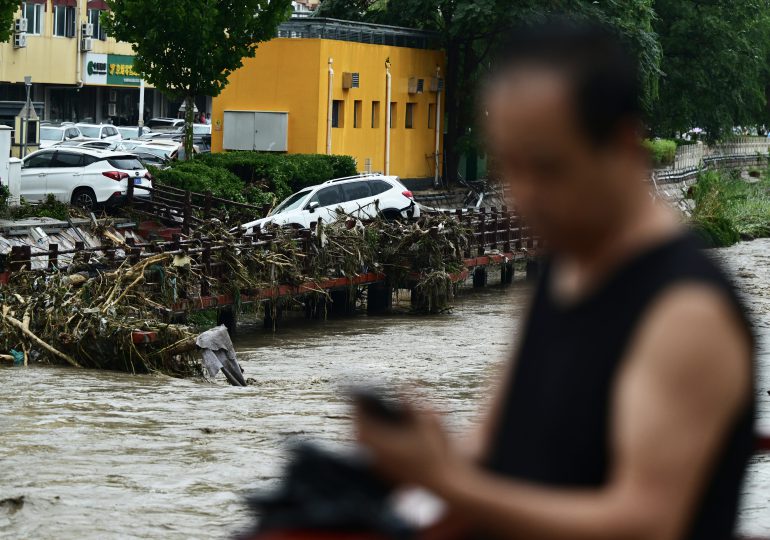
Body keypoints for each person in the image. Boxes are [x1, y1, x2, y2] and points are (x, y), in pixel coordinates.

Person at [355, 19, 754, 540]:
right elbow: (495, 446)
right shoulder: (563, 272)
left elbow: (647, 523)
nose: (523, 196)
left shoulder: (687, 312)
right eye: (509, 167)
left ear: (622, 146)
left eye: (548, 167)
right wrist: (423, 456)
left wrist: (444, 481)